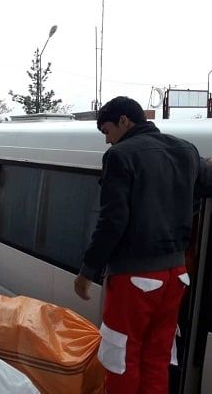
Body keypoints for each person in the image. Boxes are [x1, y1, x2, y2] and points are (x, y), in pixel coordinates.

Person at [73, 96, 212, 394]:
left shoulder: (121, 156)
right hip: (177, 275)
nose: (108, 141)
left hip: (134, 278)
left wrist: (88, 271)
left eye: (107, 131)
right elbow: (207, 181)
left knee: (122, 358)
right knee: (157, 357)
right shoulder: (186, 150)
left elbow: (112, 221)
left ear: (125, 121)